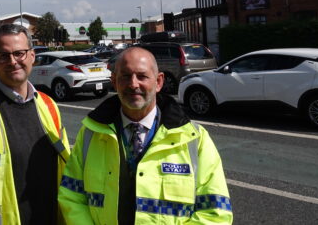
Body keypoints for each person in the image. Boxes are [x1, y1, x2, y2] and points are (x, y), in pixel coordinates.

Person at [59, 47, 233, 224]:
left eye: (142, 76)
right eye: (125, 76)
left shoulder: (196, 139)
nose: (133, 84)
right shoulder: (90, 134)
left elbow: (215, 212)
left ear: (158, 82)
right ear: (114, 81)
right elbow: (72, 196)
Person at [0, 23, 70, 225]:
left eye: (19, 53)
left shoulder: (48, 104)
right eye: (3, 55)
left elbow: (67, 170)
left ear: (32, 56)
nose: (12, 61)